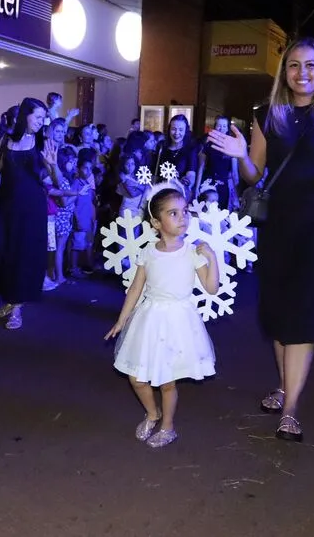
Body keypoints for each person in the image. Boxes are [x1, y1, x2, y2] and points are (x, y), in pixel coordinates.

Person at [208, 37, 314, 442]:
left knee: (304, 310)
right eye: (293, 66)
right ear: (283, 73)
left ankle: (290, 409)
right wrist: (240, 156)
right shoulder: (268, 114)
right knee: (280, 307)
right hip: (280, 222)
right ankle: (285, 385)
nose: (302, 73)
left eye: (310, 66)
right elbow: (256, 176)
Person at [105, 184, 219, 448]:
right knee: (137, 377)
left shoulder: (192, 252)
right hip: (149, 319)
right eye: (173, 213)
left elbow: (211, 288)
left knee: (167, 381)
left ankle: (168, 426)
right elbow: (136, 288)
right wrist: (122, 320)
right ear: (156, 222)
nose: (183, 218)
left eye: (184, 211)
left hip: (178, 321)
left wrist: (212, 258)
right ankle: (152, 412)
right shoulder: (149, 251)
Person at [0, 97, 57, 330]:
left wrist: (53, 165)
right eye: (37, 117)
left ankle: (16, 307)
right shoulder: (6, 140)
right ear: (25, 115)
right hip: (6, 206)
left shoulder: (42, 142)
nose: (41, 122)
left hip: (32, 208)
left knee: (23, 256)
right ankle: (9, 296)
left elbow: (55, 181)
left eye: (43, 118)